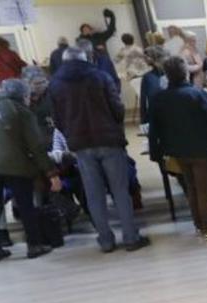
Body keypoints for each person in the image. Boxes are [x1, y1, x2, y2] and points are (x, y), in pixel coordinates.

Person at [49, 46, 146, 252]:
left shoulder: (56, 84)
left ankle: (106, 240)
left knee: (94, 194)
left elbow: (57, 119)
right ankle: (130, 237)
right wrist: (113, 125)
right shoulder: (100, 77)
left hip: (81, 145)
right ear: (86, 58)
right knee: (120, 191)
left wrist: (71, 133)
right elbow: (117, 108)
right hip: (109, 140)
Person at [0, 79, 61, 262]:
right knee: (25, 205)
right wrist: (51, 173)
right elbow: (36, 146)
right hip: (15, 166)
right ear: (24, 96)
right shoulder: (23, 113)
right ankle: (34, 245)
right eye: (28, 96)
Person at [147, 55, 207, 239]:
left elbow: (154, 128)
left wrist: (155, 153)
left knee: (191, 187)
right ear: (185, 72)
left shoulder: (158, 98)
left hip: (177, 151)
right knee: (204, 189)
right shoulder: (198, 94)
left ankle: (198, 224)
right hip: (201, 149)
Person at [139, 46, 167, 124]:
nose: (144, 59)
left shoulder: (148, 77)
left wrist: (144, 120)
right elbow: (143, 100)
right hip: (157, 114)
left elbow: (143, 101)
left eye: (146, 57)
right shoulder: (147, 77)